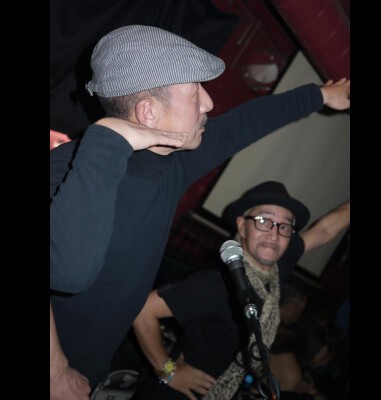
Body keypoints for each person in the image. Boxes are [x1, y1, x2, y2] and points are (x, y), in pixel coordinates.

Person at [50, 24, 350, 399]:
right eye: (195, 91)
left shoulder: (174, 163)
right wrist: (56, 370)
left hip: (88, 373)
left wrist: (321, 95)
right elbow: (69, 272)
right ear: (148, 112)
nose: (208, 103)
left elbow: (246, 123)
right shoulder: (68, 169)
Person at [132, 181, 350, 400]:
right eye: (263, 221)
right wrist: (168, 372)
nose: (273, 234)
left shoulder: (276, 264)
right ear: (242, 226)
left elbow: (325, 230)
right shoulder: (219, 282)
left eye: (284, 226)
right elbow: (143, 310)